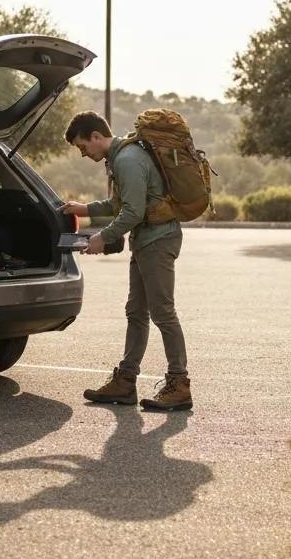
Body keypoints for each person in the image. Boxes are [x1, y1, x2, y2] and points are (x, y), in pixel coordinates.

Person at [61, 110, 192, 411]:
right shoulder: (121, 158)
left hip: (158, 242)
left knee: (163, 313)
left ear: (96, 137)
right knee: (136, 311)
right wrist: (85, 209)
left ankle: (179, 384)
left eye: (83, 146)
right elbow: (121, 204)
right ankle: (126, 380)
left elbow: (131, 213)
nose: (83, 154)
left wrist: (101, 238)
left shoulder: (127, 160)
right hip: (147, 242)